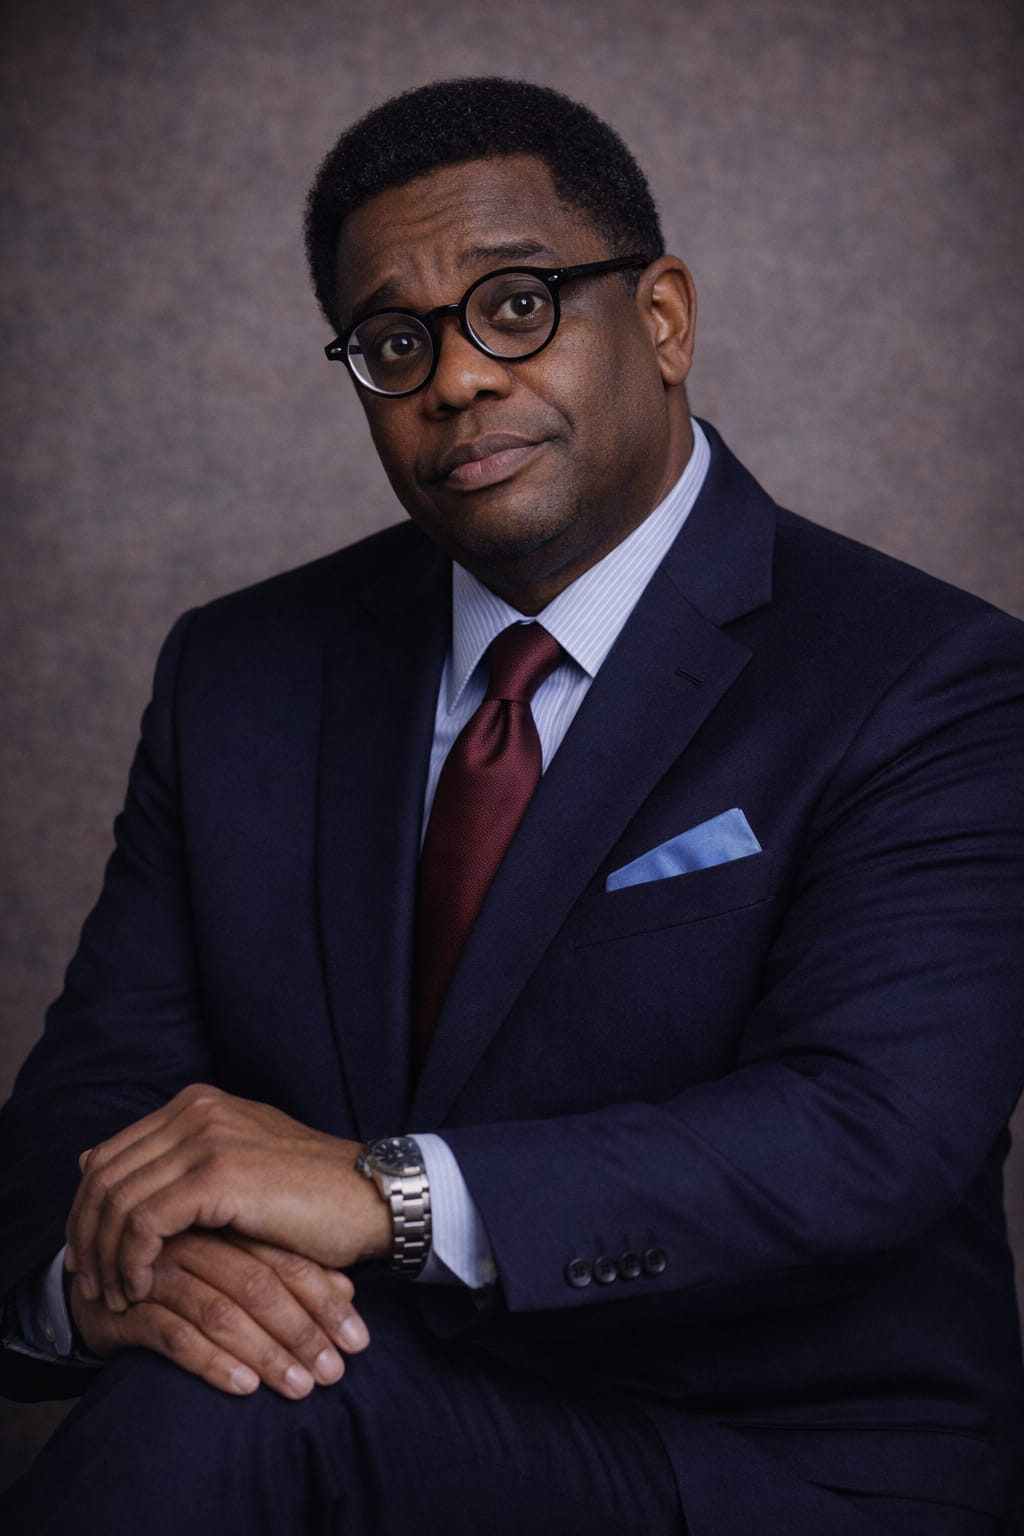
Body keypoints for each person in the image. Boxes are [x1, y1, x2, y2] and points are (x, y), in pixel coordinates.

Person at [1, 76, 1023, 1535]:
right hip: (347, 1384)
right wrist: (131, 1271)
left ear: (662, 318)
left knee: (237, 1417)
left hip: (766, 1461)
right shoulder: (237, 675)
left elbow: (867, 1128)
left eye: (519, 304)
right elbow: (92, 1107)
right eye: (395, 341)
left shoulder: (935, 676)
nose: (457, 378)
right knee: (223, 1385)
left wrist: (390, 1194)